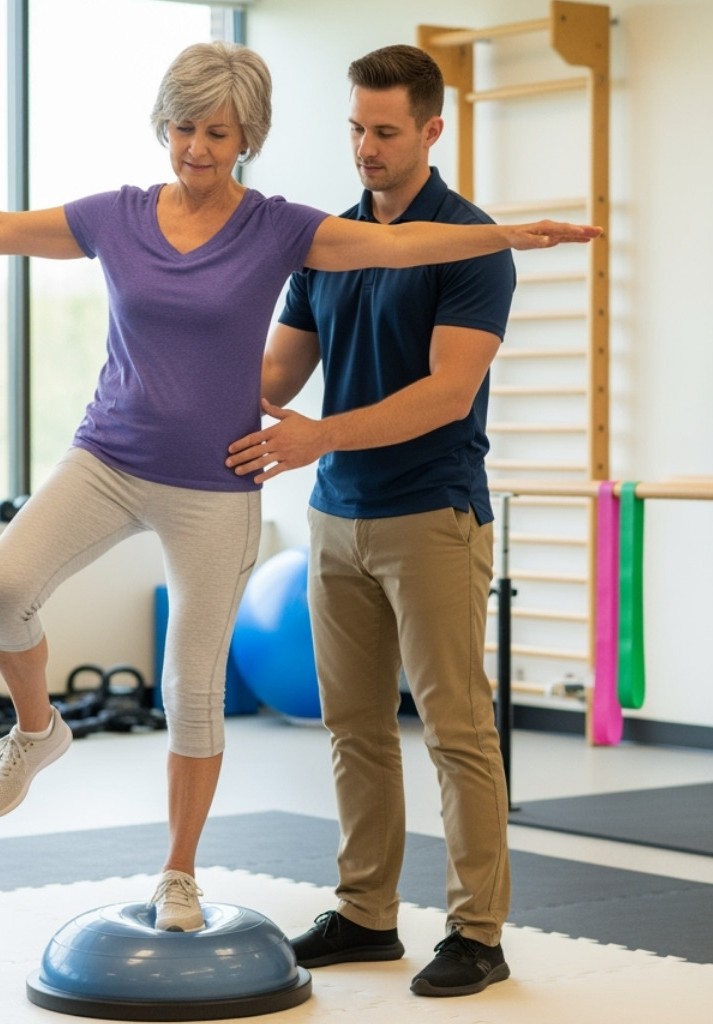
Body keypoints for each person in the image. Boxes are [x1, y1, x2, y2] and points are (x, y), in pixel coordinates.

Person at [0, 41, 598, 936]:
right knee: (14, 594)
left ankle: (302, 899)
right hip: (204, 476)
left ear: (247, 136)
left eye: (216, 131)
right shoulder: (136, 218)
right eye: (182, 127)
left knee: (296, 707)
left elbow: (414, 301)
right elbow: (2, 229)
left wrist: (512, 234)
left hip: (319, 496)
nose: (196, 147)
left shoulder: (298, 230)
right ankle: (53, 739)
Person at [225, 44, 528, 996]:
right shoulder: (328, 242)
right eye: (355, 127)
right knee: (353, 727)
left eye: (385, 131)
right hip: (336, 517)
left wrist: (321, 438)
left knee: (455, 731)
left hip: (431, 514)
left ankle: (479, 933)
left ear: (431, 131)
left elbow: (446, 393)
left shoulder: (470, 243)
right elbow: (276, 375)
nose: (365, 146)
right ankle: (366, 915)